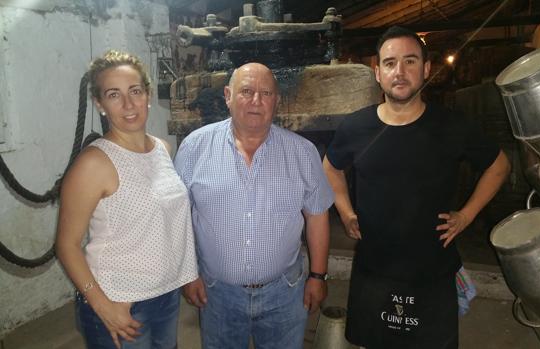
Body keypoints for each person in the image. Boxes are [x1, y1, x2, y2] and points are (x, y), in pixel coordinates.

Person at [323, 26, 511, 349]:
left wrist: (466, 216)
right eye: (390, 62)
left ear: (425, 70)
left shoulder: (452, 126)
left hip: (432, 272)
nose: (400, 72)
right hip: (373, 270)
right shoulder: (356, 126)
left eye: (410, 61)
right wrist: (344, 207)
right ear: (377, 73)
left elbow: (500, 165)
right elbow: (330, 167)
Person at [174, 62, 334, 349]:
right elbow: (179, 218)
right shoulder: (194, 148)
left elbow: (317, 216)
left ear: (277, 100)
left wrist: (318, 276)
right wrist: (188, 273)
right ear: (227, 95)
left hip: (285, 294)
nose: (256, 101)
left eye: (266, 93)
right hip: (217, 293)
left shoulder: (302, 152)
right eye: (246, 91)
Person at [55, 50, 198, 349]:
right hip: (119, 300)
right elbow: (67, 245)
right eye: (114, 95)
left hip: (166, 294)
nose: (129, 104)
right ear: (100, 104)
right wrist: (102, 305)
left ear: (147, 94)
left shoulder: (162, 148)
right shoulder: (93, 163)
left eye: (135, 91)